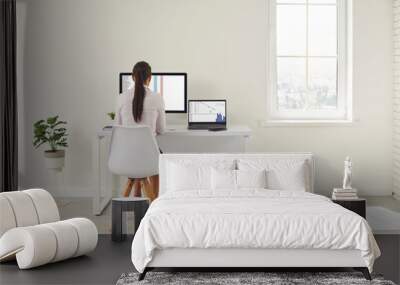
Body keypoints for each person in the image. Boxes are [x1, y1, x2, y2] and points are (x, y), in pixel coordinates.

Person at [115, 61, 166, 201]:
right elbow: (162, 129)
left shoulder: (121, 98)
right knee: (158, 155)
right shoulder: (157, 98)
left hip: (126, 157)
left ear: (133, 77)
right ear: (149, 78)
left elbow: (117, 127)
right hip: (149, 159)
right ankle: (155, 199)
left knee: (139, 151)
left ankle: (136, 195)